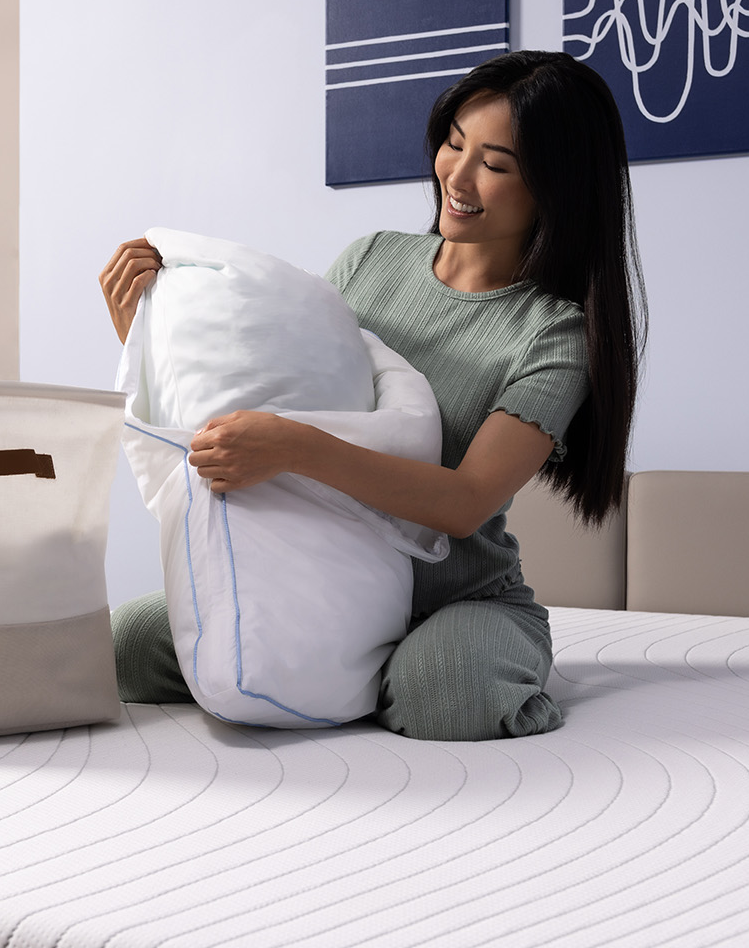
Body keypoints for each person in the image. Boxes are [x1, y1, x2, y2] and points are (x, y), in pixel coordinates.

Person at [97, 50, 646, 741]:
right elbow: (281, 379)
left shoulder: (552, 337)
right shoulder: (372, 259)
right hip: (327, 582)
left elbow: (464, 501)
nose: (458, 175)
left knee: (446, 692)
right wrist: (146, 331)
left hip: (455, 601)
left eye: (496, 164)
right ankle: (362, 676)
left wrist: (296, 446)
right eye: (454, 143)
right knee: (124, 645)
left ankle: (408, 673)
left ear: (556, 187)